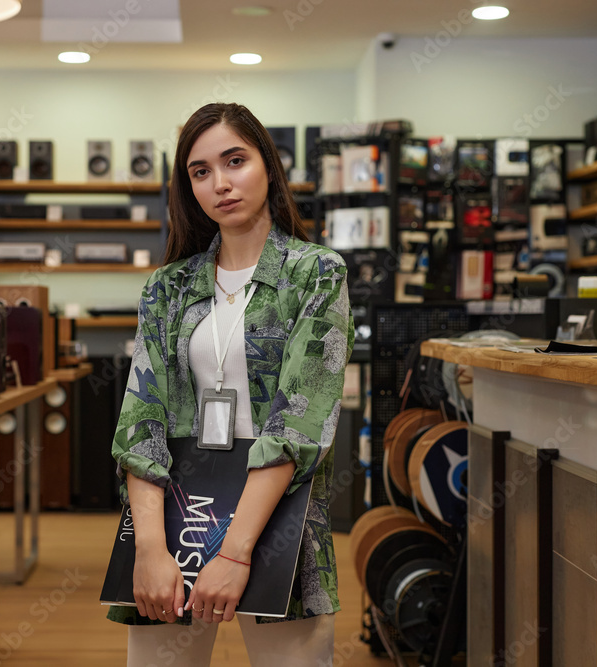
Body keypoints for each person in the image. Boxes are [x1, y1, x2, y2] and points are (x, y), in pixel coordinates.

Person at [108, 102, 354, 666]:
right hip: (175, 516)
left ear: (267, 164)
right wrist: (149, 548)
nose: (220, 183)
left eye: (235, 160)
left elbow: (298, 420)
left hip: (278, 520)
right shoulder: (168, 288)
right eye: (200, 171)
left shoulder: (315, 274)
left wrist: (236, 553)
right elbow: (139, 421)